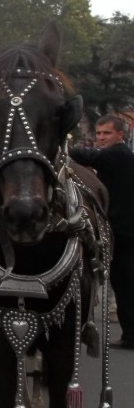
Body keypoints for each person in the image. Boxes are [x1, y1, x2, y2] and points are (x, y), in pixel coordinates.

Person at [69, 114, 134, 348]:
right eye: (98, 133)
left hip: (122, 231)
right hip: (122, 227)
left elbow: (84, 155)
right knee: (123, 282)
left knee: (124, 283)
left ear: (120, 135)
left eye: (107, 133)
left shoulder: (117, 154)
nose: (101, 138)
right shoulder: (117, 155)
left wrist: (63, 144)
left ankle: (130, 336)